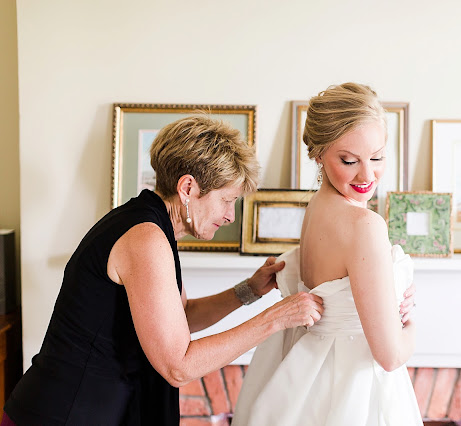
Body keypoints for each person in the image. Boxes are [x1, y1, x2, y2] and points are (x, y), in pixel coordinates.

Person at [2, 116, 325, 425]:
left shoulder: (149, 224)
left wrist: (250, 291)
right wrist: (277, 318)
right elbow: (178, 365)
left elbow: (179, 319)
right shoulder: (144, 238)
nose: (230, 216)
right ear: (187, 188)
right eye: (227, 200)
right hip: (61, 415)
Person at [233, 82, 422, 425]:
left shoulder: (317, 208)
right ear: (317, 154)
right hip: (355, 392)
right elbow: (391, 355)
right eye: (349, 160)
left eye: (377, 157)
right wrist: (409, 324)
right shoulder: (363, 224)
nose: (368, 175)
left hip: (313, 379)